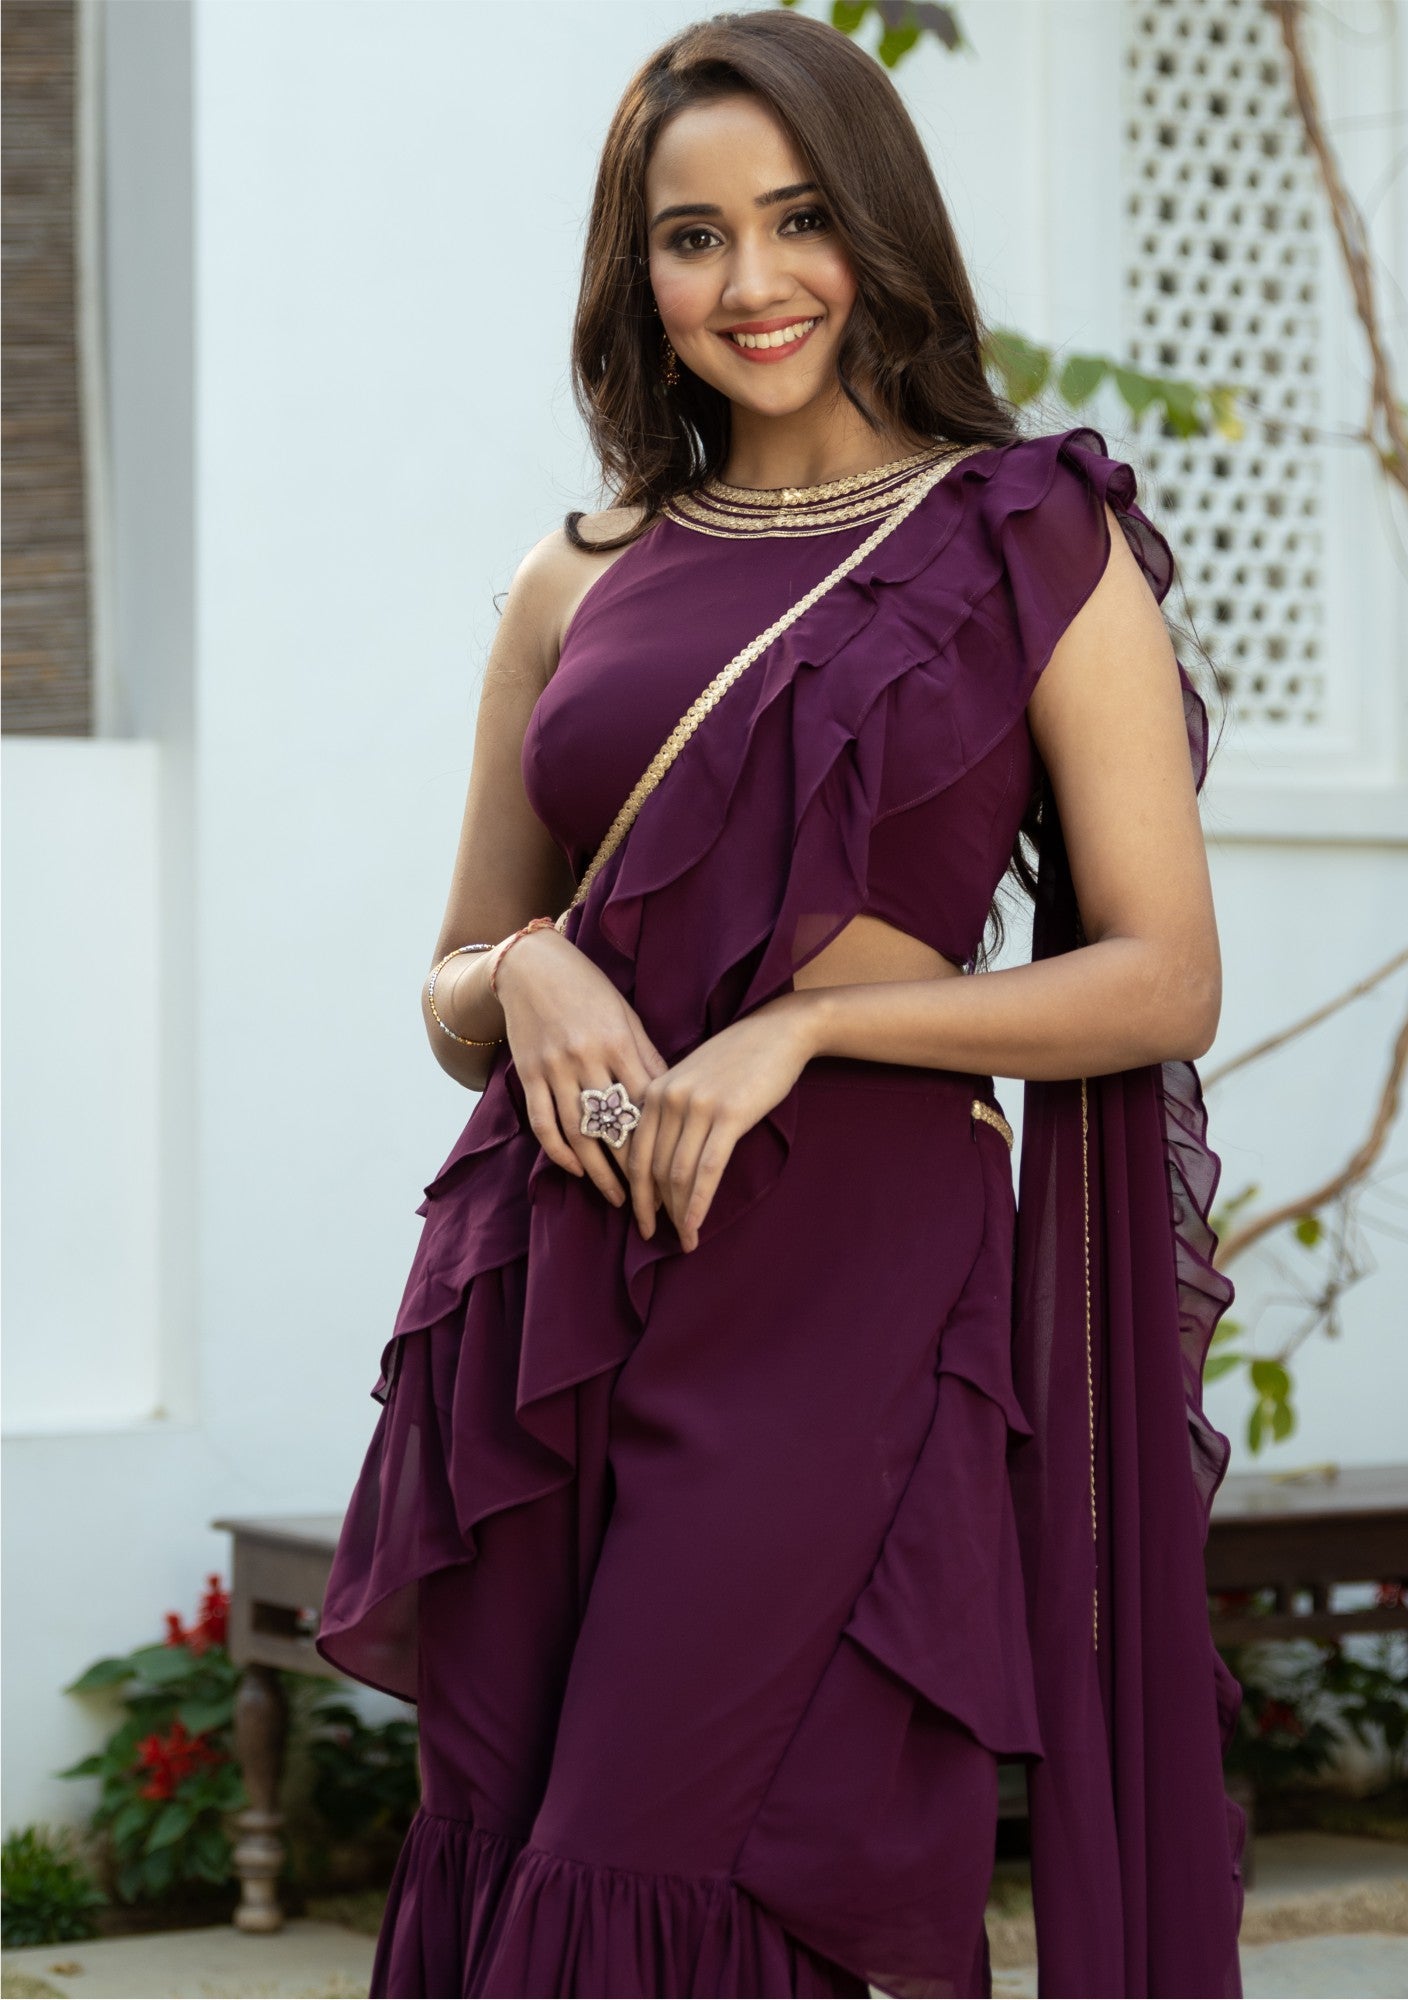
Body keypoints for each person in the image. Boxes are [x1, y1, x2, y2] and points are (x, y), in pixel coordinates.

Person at [314, 11, 1247, 1997]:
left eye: (800, 217)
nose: (752, 280)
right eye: (693, 236)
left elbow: (1163, 972)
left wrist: (809, 1027)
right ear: (636, 274)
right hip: (554, 1282)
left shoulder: (1030, 540)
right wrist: (528, 967)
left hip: (842, 1291)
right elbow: (457, 973)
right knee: (515, 1841)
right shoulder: (576, 575)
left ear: (879, 226)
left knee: (658, 1855)